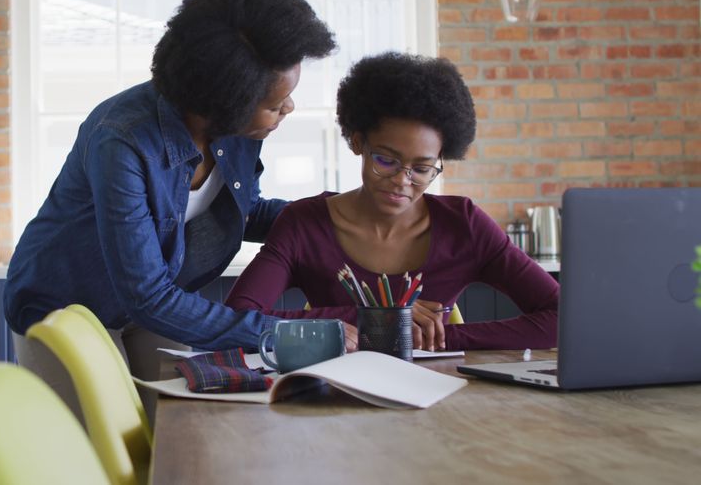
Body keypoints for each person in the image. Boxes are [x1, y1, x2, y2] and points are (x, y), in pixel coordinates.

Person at [4, 0, 336, 418]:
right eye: (277, 104)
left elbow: (238, 209)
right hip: (68, 306)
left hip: (154, 307)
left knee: (182, 426)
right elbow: (149, 295)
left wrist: (335, 215)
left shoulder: (237, 128)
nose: (288, 109)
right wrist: (284, 332)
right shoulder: (121, 139)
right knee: (110, 444)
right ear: (226, 101)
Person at [225, 52, 558, 351]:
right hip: (336, 395)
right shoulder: (304, 224)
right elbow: (238, 317)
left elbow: (561, 317)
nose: (402, 180)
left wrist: (441, 339)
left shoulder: (464, 225)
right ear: (358, 143)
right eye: (386, 160)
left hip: (439, 397)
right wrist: (378, 320)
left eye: (423, 168)